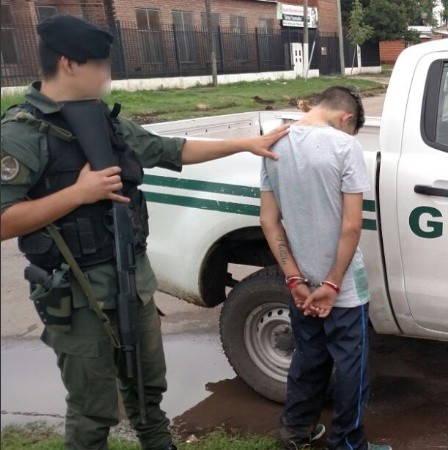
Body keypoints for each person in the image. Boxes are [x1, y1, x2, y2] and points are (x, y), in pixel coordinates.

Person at [0, 15, 288, 450]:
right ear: (70, 63)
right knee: (93, 408)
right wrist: (78, 193)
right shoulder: (22, 133)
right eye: (101, 65)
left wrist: (245, 144)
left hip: (131, 282)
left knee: (147, 391)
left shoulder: (104, 122)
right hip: (75, 296)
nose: (108, 76)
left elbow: (171, 151)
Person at [259, 86, 391, 450]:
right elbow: (351, 226)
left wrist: (295, 279)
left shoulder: (273, 143)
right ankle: (348, 443)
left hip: (302, 282)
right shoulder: (344, 146)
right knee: (351, 366)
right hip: (342, 288)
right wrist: (332, 285)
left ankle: (296, 432)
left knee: (309, 357)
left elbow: (270, 221)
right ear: (345, 118)